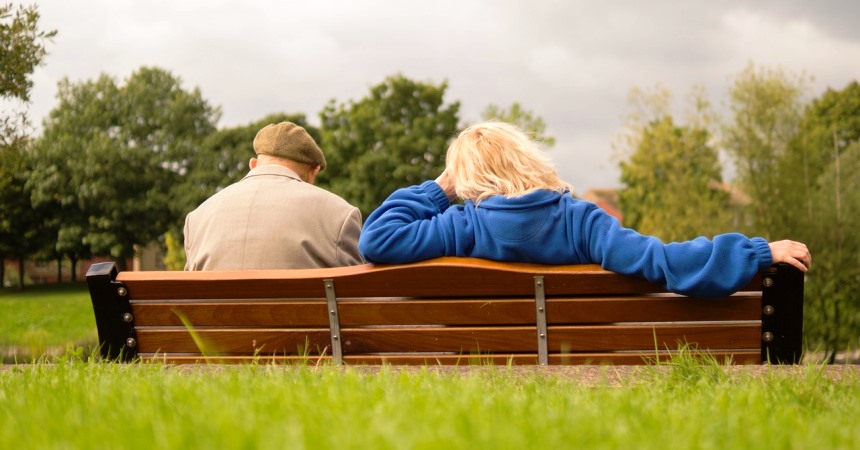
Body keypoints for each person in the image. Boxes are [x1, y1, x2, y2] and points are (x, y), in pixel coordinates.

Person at [358, 121, 811, 297]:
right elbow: (662, 261)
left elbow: (376, 239)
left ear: (467, 179)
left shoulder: (460, 225)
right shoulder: (581, 221)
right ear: (528, 160)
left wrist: (440, 189)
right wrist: (755, 252)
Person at [184, 121, 363, 270]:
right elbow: (356, 299)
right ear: (313, 171)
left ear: (253, 164)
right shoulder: (340, 215)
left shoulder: (197, 218)